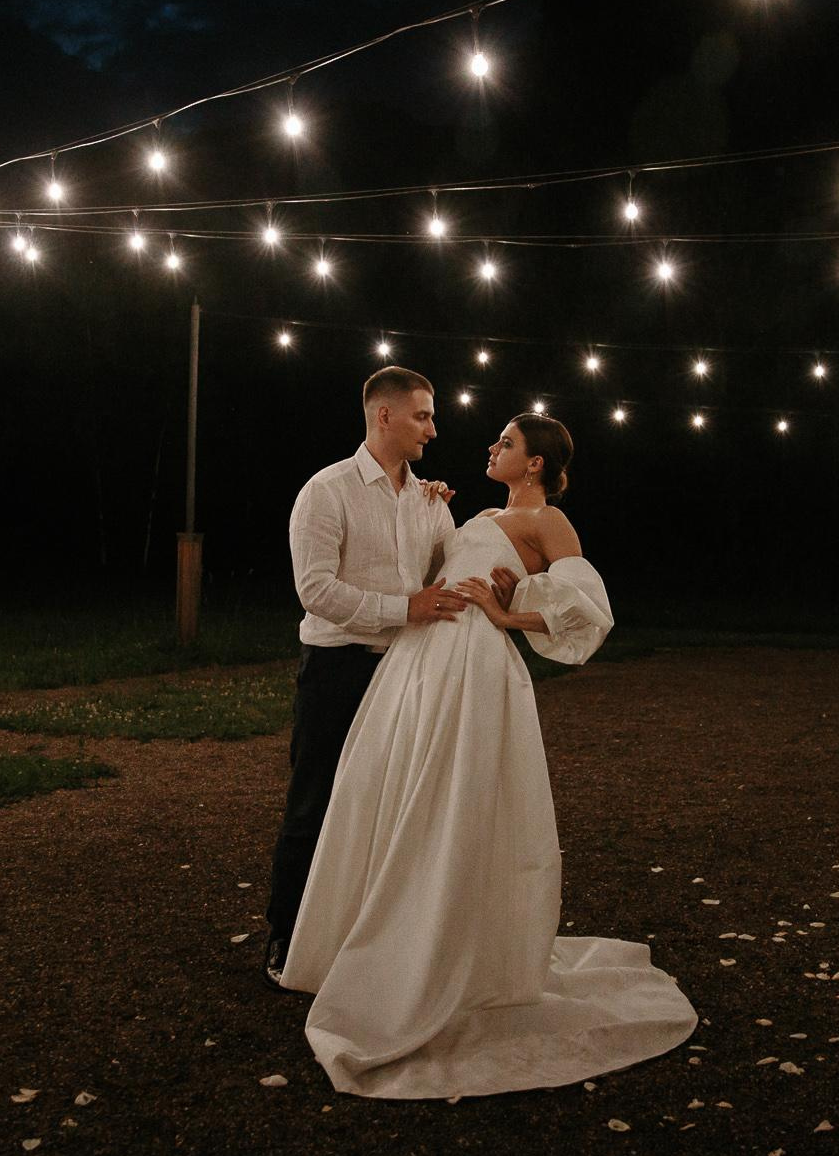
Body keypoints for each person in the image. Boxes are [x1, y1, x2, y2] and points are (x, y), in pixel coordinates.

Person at [278, 412, 698, 1099]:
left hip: (471, 663)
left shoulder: (548, 520)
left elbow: (590, 607)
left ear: (534, 464)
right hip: (418, 659)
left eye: (506, 443)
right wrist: (428, 505)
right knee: (391, 789)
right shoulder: (473, 511)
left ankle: (442, 951)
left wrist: (510, 616)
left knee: (452, 800)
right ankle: (378, 938)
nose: (491, 447)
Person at [262, 366, 485, 991]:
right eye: (422, 416)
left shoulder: (429, 500)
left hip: (407, 673)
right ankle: (285, 936)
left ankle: (364, 937)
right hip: (337, 670)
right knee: (315, 803)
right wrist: (403, 608)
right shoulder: (326, 491)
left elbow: (446, 571)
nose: (433, 429)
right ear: (382, 416)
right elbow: (315, 590)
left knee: (387, 807)